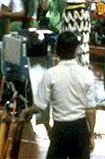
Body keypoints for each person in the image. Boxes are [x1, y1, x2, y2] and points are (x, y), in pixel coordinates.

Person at [21, 31, 96, 159]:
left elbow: (39, 106)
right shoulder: (86, 74)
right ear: (76, 51)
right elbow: (91, 110)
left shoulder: (50, 74)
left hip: (60, 129)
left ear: (57, 50)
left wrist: (26, 111)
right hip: (80, 129)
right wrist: (91, 134)